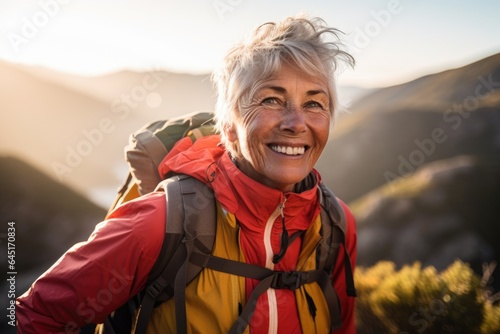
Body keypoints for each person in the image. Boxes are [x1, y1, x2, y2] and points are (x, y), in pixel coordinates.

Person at [17, 14, 357, 333]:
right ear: (229, 125)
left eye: (314, 103)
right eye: (271, 100)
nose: (296, 123)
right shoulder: (161, 222)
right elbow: (34, 316)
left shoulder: (335, 225)